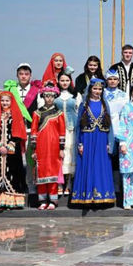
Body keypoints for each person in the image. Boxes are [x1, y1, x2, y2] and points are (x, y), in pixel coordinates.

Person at [71, 78, 116, 205]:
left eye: (100, 89)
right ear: (90, 89)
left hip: (101, 139)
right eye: (95, 89)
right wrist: (79, 143)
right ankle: (86, 195)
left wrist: (110, 143)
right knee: (88, 165)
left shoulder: (104, 104)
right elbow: (78, 126)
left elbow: (110, 126)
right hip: (87, 139)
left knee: (100, 166)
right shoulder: (84, 105)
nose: (97, 91)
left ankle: (101, 196)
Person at [0, 92, 27, 210]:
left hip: (12, 149)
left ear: (11, 102)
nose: (4, 103)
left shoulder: (16, 115)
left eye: (7, 101)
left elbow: (19, 132)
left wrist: (9, 145)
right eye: (2, 101)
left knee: (12, 174)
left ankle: (11, 201)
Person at [4, 63, 43, 195]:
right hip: (15, 130)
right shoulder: (11, 90)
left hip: (30, 129)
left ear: (30, 75)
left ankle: (31, 184)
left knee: (31, 159)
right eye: (21, 74)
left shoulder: (36, 91)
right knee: (14, 159)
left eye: (26, 74)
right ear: (17, 75)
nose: (24, 76)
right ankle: (16, 184)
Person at [31, 83, 66, 210]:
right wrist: (34, 149)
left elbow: (62, 132)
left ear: (55, 97)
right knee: (41, 173)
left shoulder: (59, 113)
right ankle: (42, 201)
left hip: (54, 147)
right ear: (43, 96)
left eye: (52, 96)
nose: (49, 99)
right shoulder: (37, 113)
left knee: (52, 173)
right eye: (46, 96)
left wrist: (62, 148)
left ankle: (53, 201)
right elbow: (34, 131)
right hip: (41, 147)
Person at [54, 67, 80, 196]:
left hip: (71, 129)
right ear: (58, 81)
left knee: (70, 155)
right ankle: (59, 183)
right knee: (59, 155)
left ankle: (69, 183)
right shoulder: (54, 95)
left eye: (67, 80)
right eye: (62, 80)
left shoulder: (75, 95)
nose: (64, 82)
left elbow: (79, 112)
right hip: (57, 129)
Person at [104, 69, 128, 193]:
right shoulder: (101, 93)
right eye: (110, 79)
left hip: (120, 127)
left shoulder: (124, 95)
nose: (112, 81)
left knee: (119, 157)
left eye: (115, 79)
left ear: (118, 81)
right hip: (106, 128)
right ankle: (108, 184)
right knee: (107, 157)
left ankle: (119, 185)